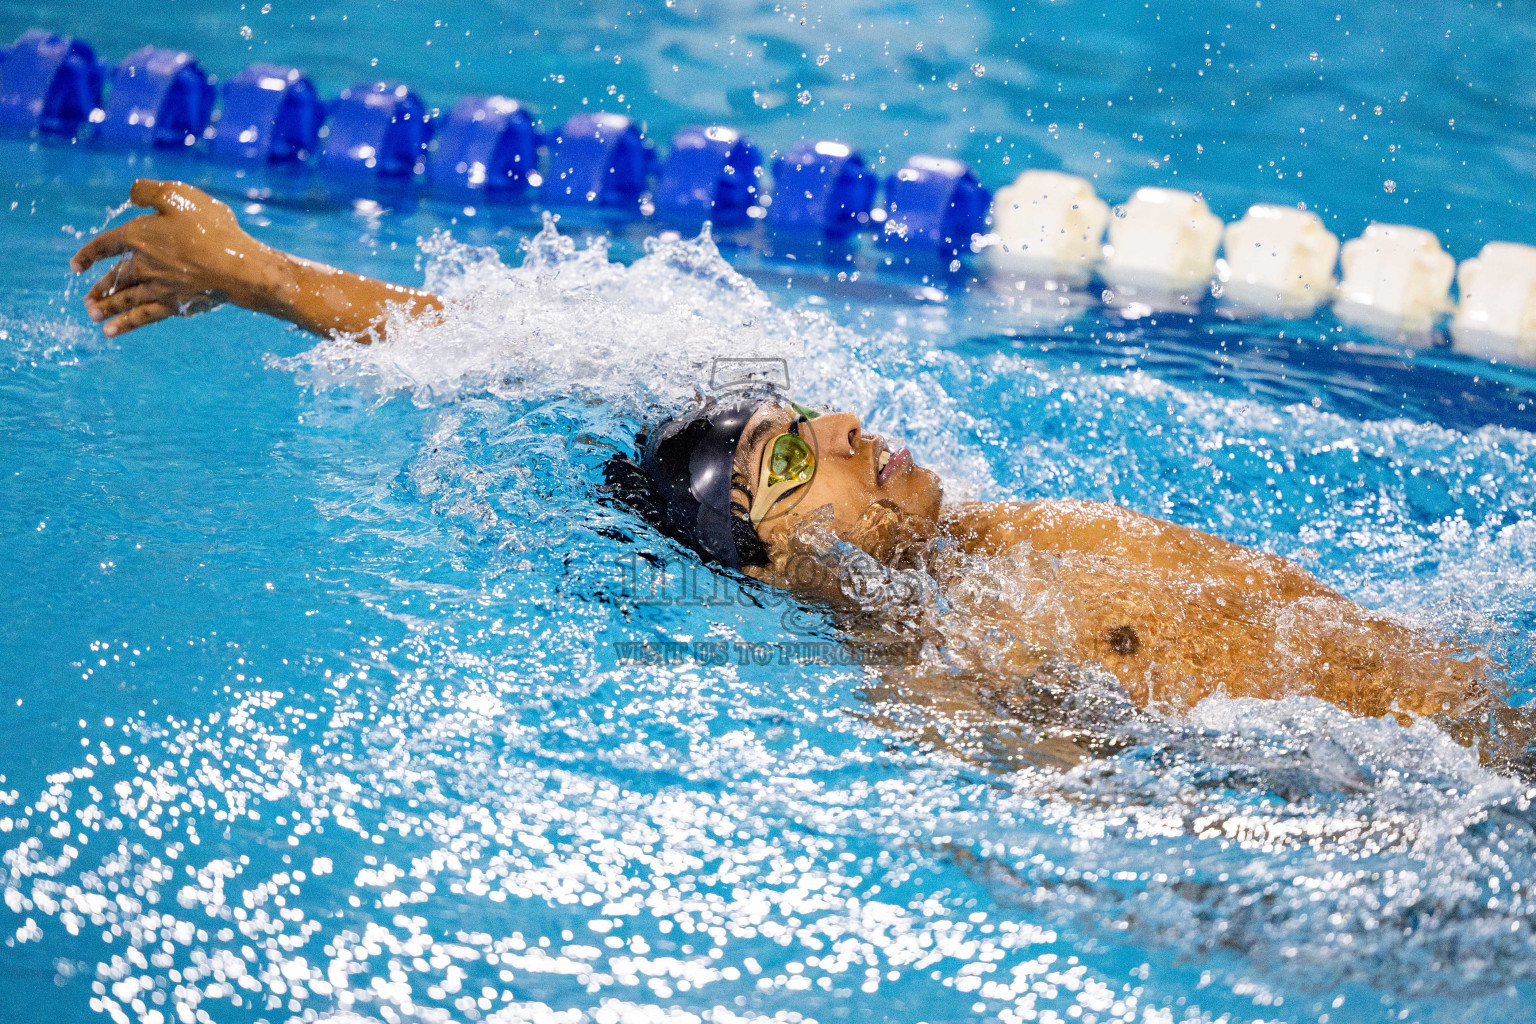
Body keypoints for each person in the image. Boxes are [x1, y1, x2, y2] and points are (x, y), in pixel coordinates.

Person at [71, 179, 1530, 772]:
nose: (842, 429)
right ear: (768, 559)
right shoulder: (946, 681)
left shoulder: (1012, 533)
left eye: (814, 414)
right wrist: (260, 277)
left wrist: (271, 278)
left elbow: (543, 342)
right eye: (789, 456)